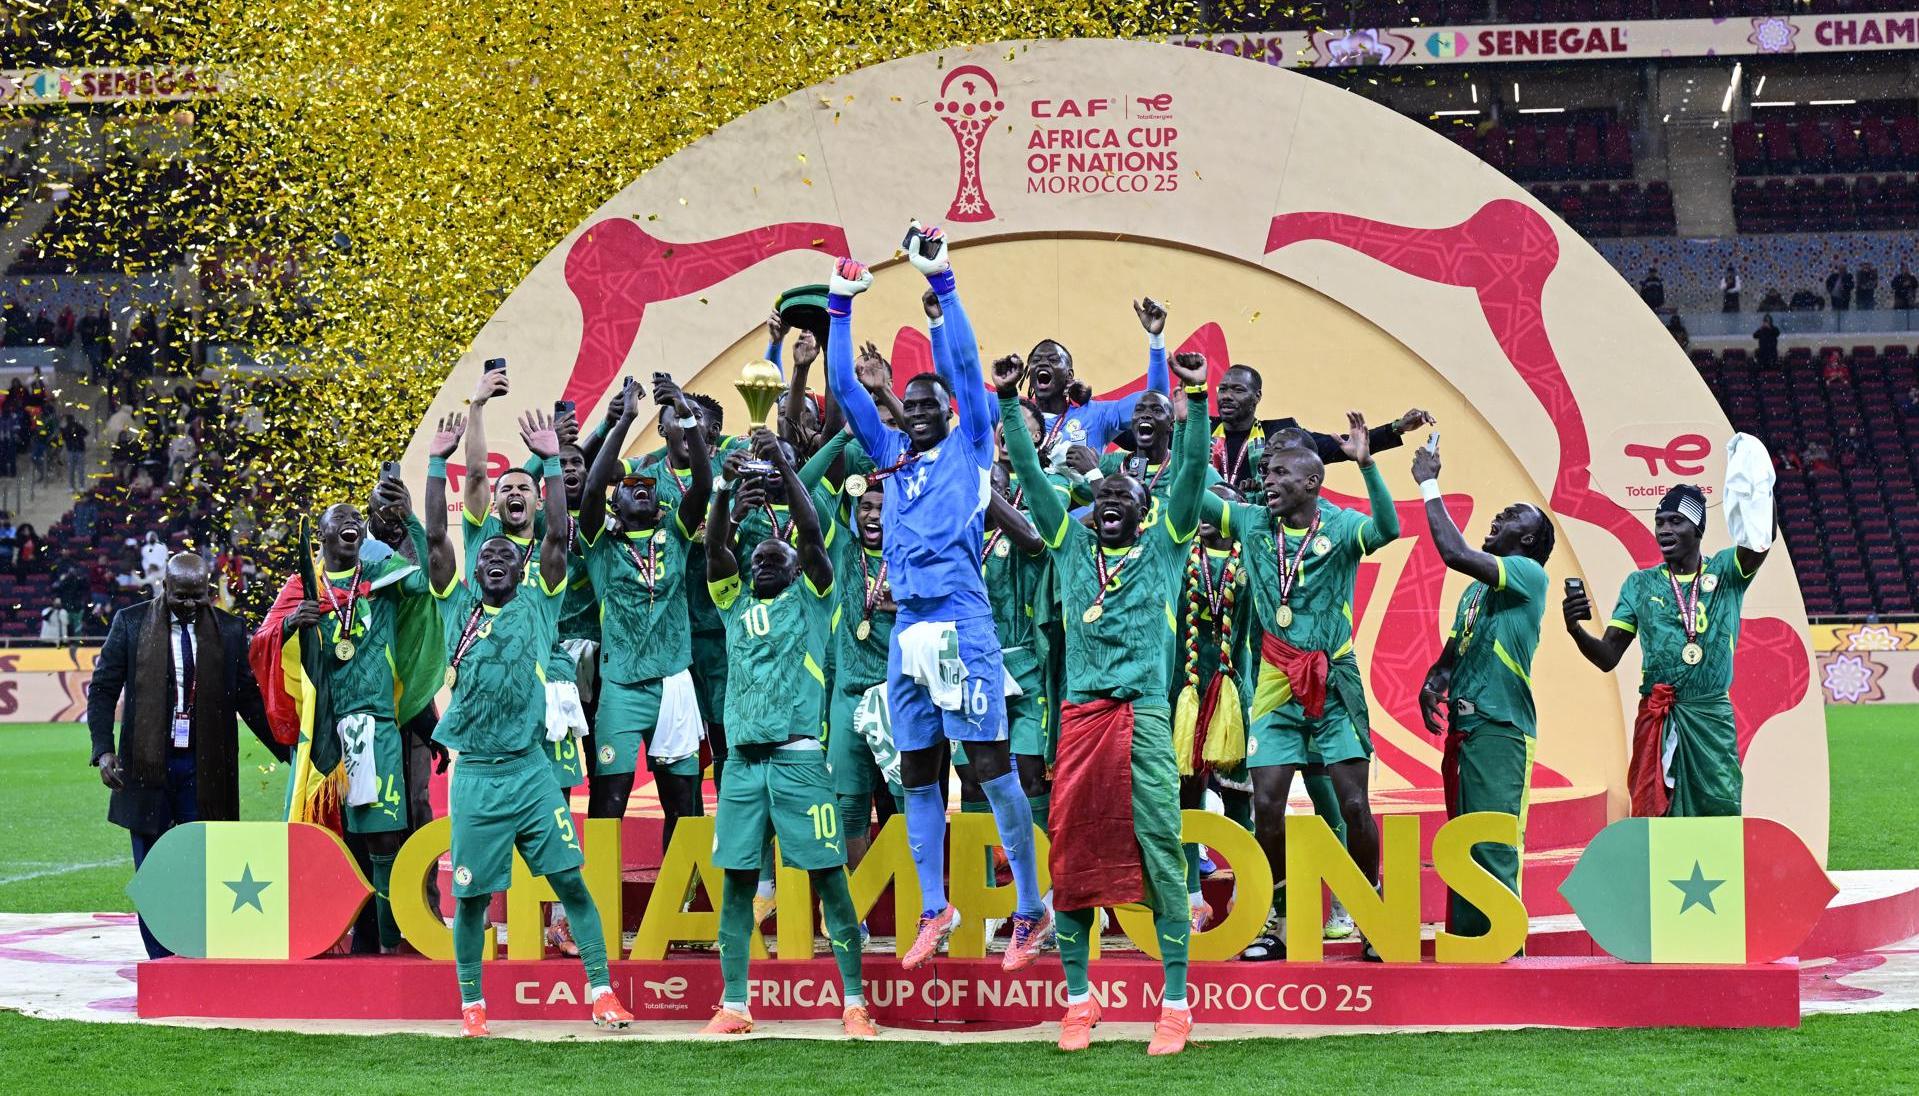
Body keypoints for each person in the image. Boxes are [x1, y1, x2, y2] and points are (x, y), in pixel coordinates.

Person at [824, 224, 1051, 971]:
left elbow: (961, 366)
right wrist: (839, 306)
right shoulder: (889, 460)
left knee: (988, 769)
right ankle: (935, 906)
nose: (917, 411)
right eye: (908, 406)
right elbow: (844, 392)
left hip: (961, 624)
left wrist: (943, 284)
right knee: (916, 771)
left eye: (930, 404)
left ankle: (1030, 906)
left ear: (950, 413)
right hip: (905, 635)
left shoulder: (970, 444)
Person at [998, 346, 1212, 1056]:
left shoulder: (1166, 547)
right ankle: (1079, 1002)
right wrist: (1004, 401)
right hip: (1080, 720)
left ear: (1150, 515)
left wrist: (1195, 398)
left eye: (1127, 498)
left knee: (1158, 850)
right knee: (1073, 856)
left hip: (1144, 716)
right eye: (1103, 499)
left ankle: (1175, 1004)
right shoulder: (1066, 543)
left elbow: (1188, 476)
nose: (1112, 504)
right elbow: (1028, 473)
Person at [423, 408, 633, 1037]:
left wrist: (549, 463)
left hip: (531, 773)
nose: (491, 560)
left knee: (570, 881)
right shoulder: (454, 599)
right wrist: (437, 461)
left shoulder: (543, 601)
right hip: (477, 781)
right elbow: (437, 538)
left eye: (502, 557)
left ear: (521, 568)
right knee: (471, 900)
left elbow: (559, 535)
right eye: (481, 553)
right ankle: (471, 1004)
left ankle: (600, 992)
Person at [1196, 410, 1401, 962]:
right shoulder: (1251, 524)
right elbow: (1194, 492)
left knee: (1355, 804)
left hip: (1333, 678)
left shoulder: (1339, 526)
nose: (1268, 481)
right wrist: (1193, 406)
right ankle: (1274, 924)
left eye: (1280, 473)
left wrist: (1368, 466)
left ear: (1312, 481)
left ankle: (1371, 912)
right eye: (1264, 473)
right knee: (1267, 807)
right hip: (1273, 681)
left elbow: (1388, 529)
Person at [700, 428, 875, 1039]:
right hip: (743, 767)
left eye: (778, 556)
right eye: (757, 558)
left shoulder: (814, 600)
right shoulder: (732, 603)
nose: (764, 558)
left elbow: (810, 535)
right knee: (739, 880)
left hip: (801, 763)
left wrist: (783, 467)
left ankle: (854, 1002)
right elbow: (715, 550)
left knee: (829, 877)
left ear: (801, 566)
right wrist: (723, 489)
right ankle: (734, 1004)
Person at [87, 552, 286, 958]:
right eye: (181, 597)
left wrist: (286, 748)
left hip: (206, 766)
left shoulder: (229, 630)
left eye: (199, 597)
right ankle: (161, 958)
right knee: (154, 866)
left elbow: (247, 698)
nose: (191, 605)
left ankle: (197, 949)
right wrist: (103, 750)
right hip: (145, 767)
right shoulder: (130, 622)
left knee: (203, 861)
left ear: (209, 590)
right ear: (165, 587)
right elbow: (104, 689)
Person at [1562, 457, 1773, 818]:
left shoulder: (1726, 571)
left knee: (1718, 806)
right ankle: (1659, 876)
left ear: (1697, 528)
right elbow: (1607, 656)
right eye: (1659, 522)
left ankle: (1715, 874)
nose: (1664, 529)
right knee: (1652, 811)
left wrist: (1754, 484)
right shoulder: (1640, 585)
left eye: (1676, 521)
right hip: (1657, 715)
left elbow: (1759, 540)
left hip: (1709, 715)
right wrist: (1576, 629)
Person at [274, 485, 435, 952]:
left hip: (376, 725)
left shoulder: (381, 576)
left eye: (355, 518)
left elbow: (422, 585)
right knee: (328, 841)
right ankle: (321, 935)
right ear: (320, 535)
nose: (350, 520)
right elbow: (264, 642)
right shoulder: (301, 586)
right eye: (337, 517)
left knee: (383, 839)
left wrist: (411, 524)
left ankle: (387, 941)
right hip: (324, 735)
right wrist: (288, 626)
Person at [1412, 440, 1555, 939]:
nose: (1499, 515)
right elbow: (1453, 657)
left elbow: (1453, 552)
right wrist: (1435, 681)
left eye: (1513, 515)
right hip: (1467, 730)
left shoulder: (1528, 574)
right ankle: (1470, 950)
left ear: (1531, 539)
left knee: (1493, 844)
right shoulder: (1478, 593)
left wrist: (1428, 482)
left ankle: (1503, 952)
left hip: (1501, 729)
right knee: (1462, 846)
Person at [575, 375, 711, 855]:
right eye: (628, 485)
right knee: (608, 798)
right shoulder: (598, 544)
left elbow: (705, 480)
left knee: (684, 802)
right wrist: (627, 420)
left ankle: (685, 903)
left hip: (674, 682)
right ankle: (595, 909)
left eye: (648, 486)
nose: (639, 488)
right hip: (621, 690)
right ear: (614, 501)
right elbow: (591, 486)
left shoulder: (675, 531)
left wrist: (685, 413)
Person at [1208, 363, 1426, 503]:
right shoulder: (1200, 430)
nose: (1227, 396)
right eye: (1223, 389)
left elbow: (1337, 446)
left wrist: (1397, 427)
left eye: (1238, 390)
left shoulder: (1280, 434)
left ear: (1257, 396)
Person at [1022, 296, 1169, 452]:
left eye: (1053, 359)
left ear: (1069, 375)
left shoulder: (1097, 415)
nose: (1043, 363)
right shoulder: (1015, 416)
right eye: (1036, 360)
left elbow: (1157, 398)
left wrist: (1156, 339)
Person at [62, 412, 87, 491]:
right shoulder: (77, 426)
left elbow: (64, 438)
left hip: (72, 450)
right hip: (78, 450)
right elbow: (85, 433)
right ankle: (80, 486)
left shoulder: (67, 428)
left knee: (72, 470)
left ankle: (72, 486)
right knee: (79, 469)